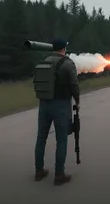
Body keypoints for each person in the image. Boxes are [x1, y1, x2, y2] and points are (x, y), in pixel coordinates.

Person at [34, 38, 80, 185]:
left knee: (41, 138)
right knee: (61, 140)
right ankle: (59, 175)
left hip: (44, 104)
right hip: (60, 105)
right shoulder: (68, 63)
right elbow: (74, 84)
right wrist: (77, 101)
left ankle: (39, 171)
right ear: (63, 49)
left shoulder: (44, 61)